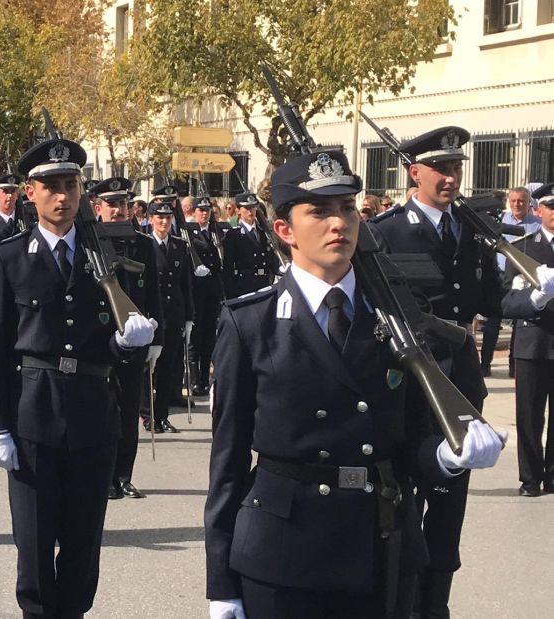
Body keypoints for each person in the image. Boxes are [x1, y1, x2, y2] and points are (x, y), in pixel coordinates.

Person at [205, 150, 506, 619]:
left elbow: (411, 444)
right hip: (283, 555)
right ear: (284, 230)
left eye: (347, 208)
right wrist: (220, 583)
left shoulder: (399, 321)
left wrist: (446, 457)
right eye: (319, 211)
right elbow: (227, 460)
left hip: (379, 546)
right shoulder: (251, 322)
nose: (338, 223)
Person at [0, 137, 156, 617]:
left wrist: (127, 346)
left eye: (71, 185)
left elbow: (119, 354)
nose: (63, 196)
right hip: (32, 414)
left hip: (92, 413)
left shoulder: (109, 257)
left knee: (83, 545)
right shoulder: (8, 257)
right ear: (28, 193)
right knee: (34, 548)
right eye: (51, 186)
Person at [369, 126, 503, 618]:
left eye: (456, 168)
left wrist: (530, 295)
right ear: (414, 172)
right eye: (441, 169)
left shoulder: (469, 230)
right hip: (407, 381)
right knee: (403, 507)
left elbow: (488, 300)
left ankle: (435, 608)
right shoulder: (384, 232)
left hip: (461, 383)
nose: (450, 178)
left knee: (448, 515)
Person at [89, 176, 163, 501]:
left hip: (135, 336)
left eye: (122, 204)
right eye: (112, 204)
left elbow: (155, 291)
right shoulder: (88, 241)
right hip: (102, 339)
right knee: (102, 412)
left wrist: (156, 337)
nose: (118, 210)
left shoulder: (143, 243)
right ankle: (102, 476)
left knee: (130, 408)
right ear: (97, 207)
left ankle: (124, 476)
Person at [502, 183, 554, 497]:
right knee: (529, 414)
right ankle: (530, 478)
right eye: (550, 206)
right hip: (533, 339)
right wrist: (535, 298)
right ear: (538, 210)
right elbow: (507, 300)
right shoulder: (522, 248)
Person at [483, 187, 543, 376]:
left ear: (529, 203)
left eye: (522, 201)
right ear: (509, 201)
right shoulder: (499, 221)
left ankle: (513, 366)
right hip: (499, 277)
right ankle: (485, 363)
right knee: (493, 323)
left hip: (523, 280)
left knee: (518, 323)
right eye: (514, 201)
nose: (517, 204)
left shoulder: (537, 224)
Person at [147, 201, 195, 432]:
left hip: (174, 314)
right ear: (151, 219)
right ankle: (147, 414)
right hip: (152, 316)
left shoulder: (179, 246)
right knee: (148, 370)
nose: (164, 222)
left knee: (168, 368)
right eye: (159, 217)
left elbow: (186, 285)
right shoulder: (144, 244)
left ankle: (162, 416)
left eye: (167, 218)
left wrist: (189, 317)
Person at [185, 197, 225, 396]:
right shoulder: (189, 232)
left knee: (209, 336)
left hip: (213, 291)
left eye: (207, 210)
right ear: (194, 212)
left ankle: (204, 379)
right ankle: (194, 381)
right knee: (196, 336)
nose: (204, 214)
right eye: (201, 210)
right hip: (196, 291)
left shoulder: (216, 232)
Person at [221, 192, 279, 298]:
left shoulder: (263, 232)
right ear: (238, 210)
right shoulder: (234, 234)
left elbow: (270, 257)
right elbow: (228, 265)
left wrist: (279, 267)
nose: (250, 211)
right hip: (243, 285)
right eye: (246, 208)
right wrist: (229, 293)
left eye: (252, 207)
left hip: (263, 284)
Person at [0, 173, 24, 240]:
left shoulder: (25, 219)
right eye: (5, 191)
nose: (10, 195)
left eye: (13, 191)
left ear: (17, 195)